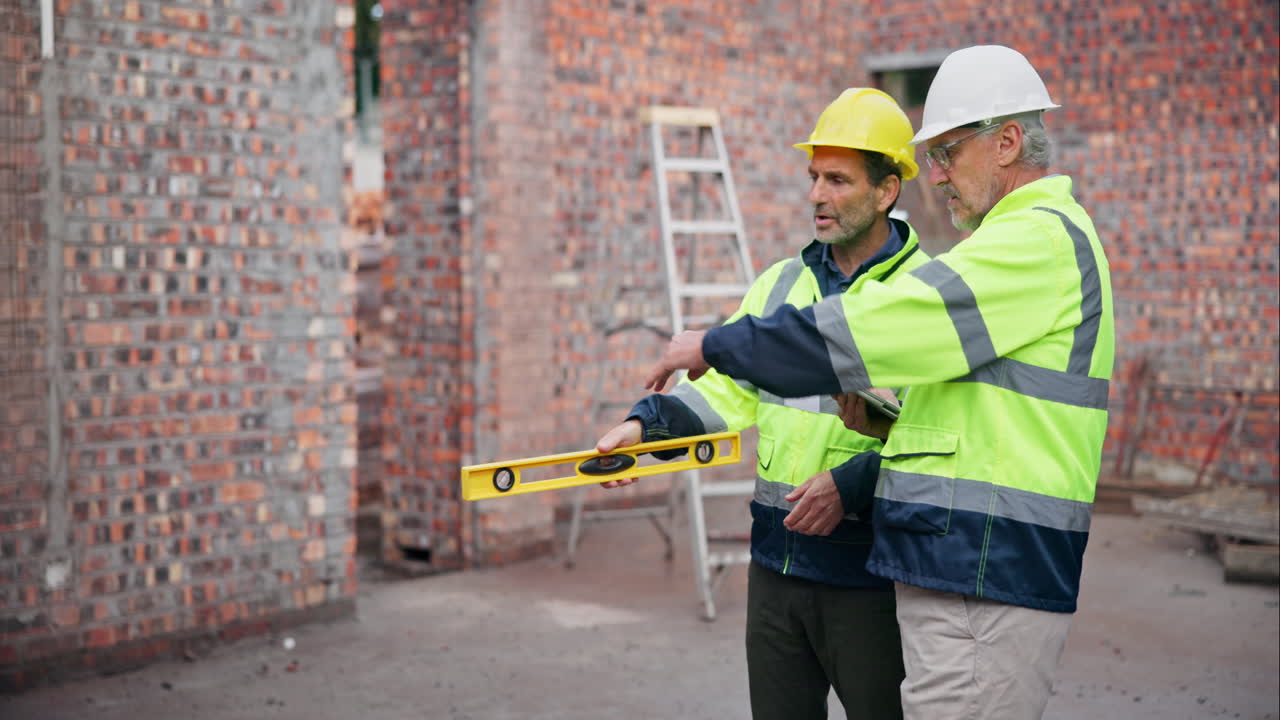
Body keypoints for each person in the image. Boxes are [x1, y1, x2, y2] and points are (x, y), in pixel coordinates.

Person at [641, 45, 1114, 720]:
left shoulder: (1030, 244)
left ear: (1007, 141)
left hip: (987, 572)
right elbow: (969, 419)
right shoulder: (1013, 243)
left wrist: (715, 343)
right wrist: (889, 426)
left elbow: (875, 329)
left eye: (947, 153)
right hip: (960, 570)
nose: (938, 176)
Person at [594, 88, 927, 720]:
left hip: (871, 578)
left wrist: (853, 487)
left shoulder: (923, 294)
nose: (816, 196)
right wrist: (647, 425)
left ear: (887, 191)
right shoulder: (780, 283)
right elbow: (728, 387)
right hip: (775, 571)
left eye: (836, 180)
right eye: (812, 178)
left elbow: (939, 432)